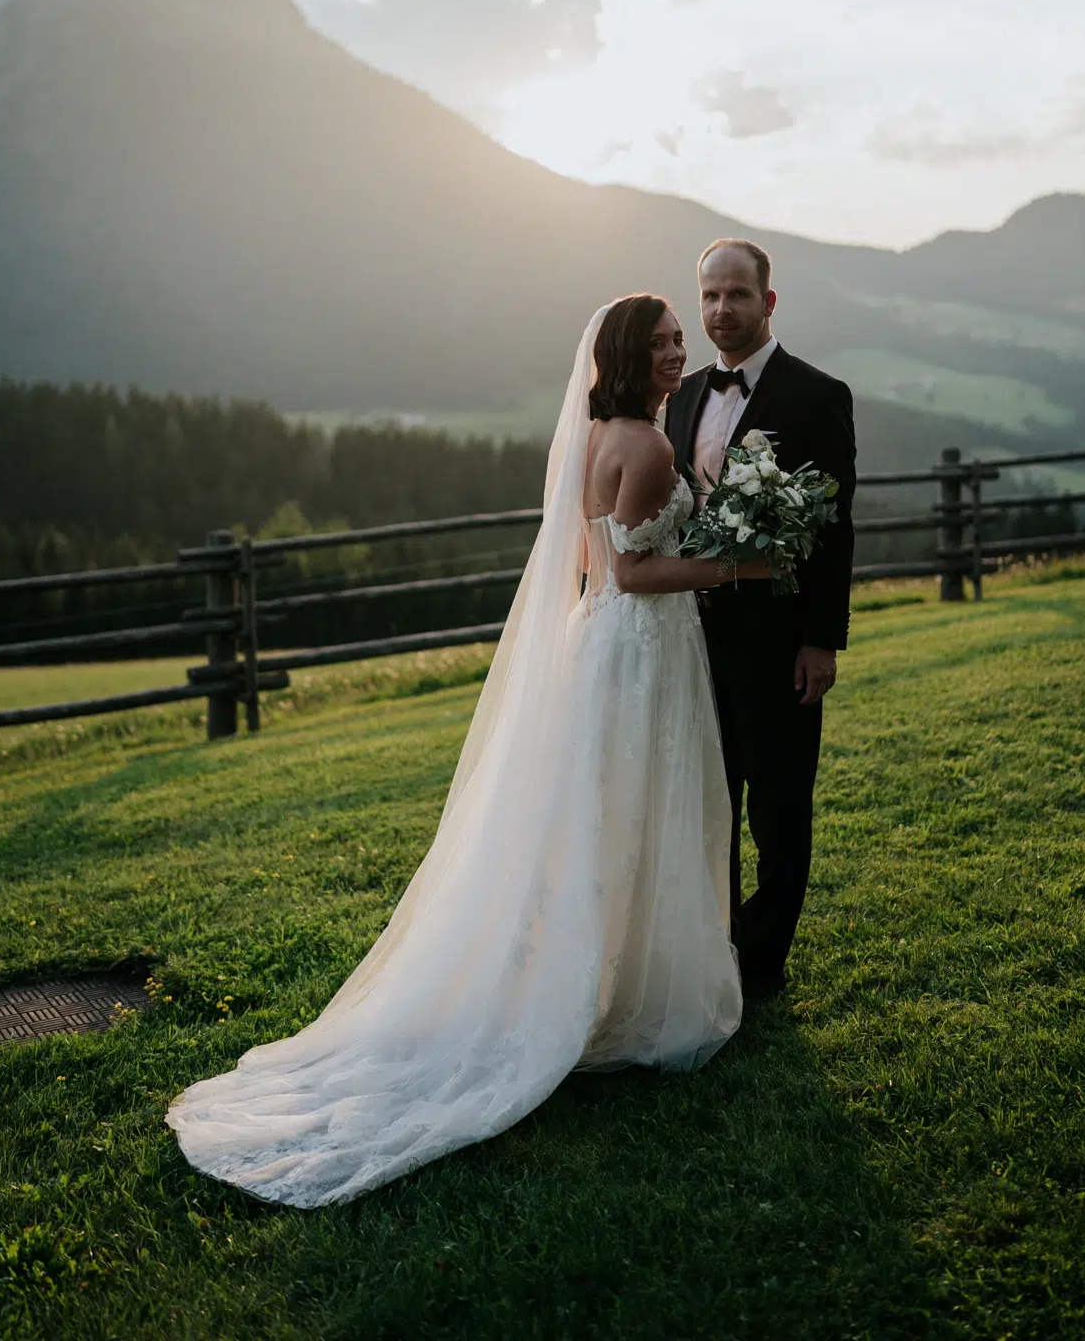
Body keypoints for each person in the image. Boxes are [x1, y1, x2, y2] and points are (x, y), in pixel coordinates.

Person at [167, 295, 761, 1207]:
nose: (679, 352)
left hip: (608, 645)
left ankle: (607, 975)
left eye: (681, 338)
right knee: (637, 814)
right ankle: (622, 998)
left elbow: (592, 562)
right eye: (663, 343)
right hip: (642, 646)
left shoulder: (602, 434)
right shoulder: (642, 446)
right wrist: (734, 566)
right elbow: (635, 574)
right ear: (627, 357)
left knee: (603, 821)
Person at [664, 240, 856, 1001]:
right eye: (709, 297)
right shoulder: (679, 397)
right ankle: (714, 945)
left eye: (737, 295)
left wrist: (821, 638)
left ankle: (762, 961)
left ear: (768, 302)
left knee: (779, 809)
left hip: (780, 640)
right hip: (691, 639)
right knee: (711, 801)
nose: (721, 311)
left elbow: (836, 527)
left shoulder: (817, 395)